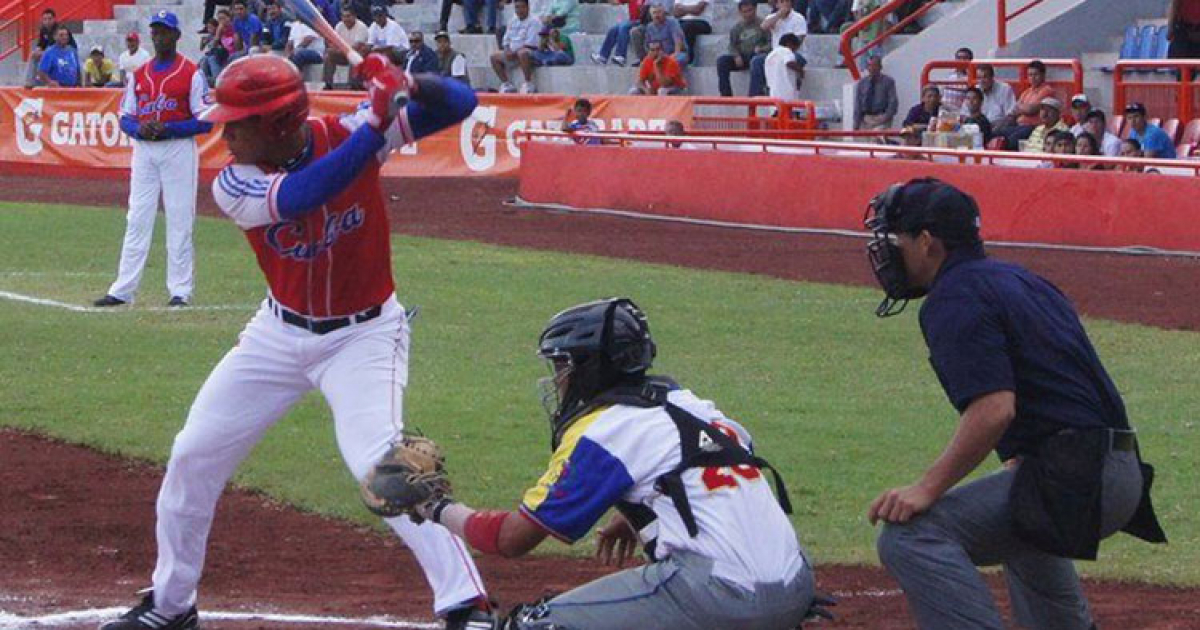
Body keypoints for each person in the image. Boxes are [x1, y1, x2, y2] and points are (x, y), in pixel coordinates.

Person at [96, 54, 496, 630]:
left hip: (365, 336)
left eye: (238, 121)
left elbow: (460, 103)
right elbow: (306, 193)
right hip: (277, 335)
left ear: (279, 123)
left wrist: (407, 83)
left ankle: (467, 603)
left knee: (384, 468)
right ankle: (171, 603)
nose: (224, 132)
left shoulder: (349, 132)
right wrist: (378, 124)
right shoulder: (236, 181)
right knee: (192, 457)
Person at [402, 297, 817, 630]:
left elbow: (512, 539)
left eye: (563, 364)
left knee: (535, 626)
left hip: (722, 596)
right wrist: (639, 512)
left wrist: (433, 505)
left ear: (591, 367)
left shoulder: (605, 431)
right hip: (796, 587)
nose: (558, 378)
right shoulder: (692, 404)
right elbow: (714, 470)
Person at [862, 178, 1165, 630]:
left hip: (1078, 474)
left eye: (896, 240)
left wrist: (927, 487)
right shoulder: (1021, 279)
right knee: (1025, 516)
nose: (888, 254)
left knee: (910, 537)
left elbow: (995, 408)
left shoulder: (953, 296)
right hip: (1112, 466)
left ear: (927, 243)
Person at [93, 11, 213, 310]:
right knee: (137, 217)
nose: (159, 36)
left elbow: (207, 120)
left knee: (180, 218)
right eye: (156, 31)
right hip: (145, 149)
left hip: (178, 148)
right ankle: (123, 289)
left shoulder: (191, 72)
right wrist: (138, 128)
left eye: (165, 31)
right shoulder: (140, 73)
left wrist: (171, 127)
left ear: (176, 36)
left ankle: (180, 291)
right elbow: (125, 116)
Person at [749, 0, 806, 96]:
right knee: (757, 61)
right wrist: (779, 15)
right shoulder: (772, 18)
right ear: (777, 4)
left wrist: (785, 53)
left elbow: (799, 40)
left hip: (794, 53)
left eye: (787, 1)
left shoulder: (799, 18)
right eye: (781, 2)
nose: (785, 4)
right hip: (775, 53)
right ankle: (756, 95)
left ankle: (792, 90)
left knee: (788, 61)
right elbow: (763, 27)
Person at [715, 0, 768, 97]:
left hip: (757, 56)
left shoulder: (763, 24)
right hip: (742, 57)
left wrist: (762, 49)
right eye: (744, 12)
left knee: (757, 60)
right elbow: (732, 45)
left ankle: (754, 95)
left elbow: (771, 43)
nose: (748, 14)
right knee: (721, 61)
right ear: (740, 12)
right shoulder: (737, 28)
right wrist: (736, 55)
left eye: (750, 10)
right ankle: (726, 95)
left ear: (755, 9)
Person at [1000, 60, 1056, 149]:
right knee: (998, 133)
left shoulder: (1046, 90)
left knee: (1011, 140)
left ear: (1043, 75)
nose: (1032, 78)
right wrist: (1022, 108)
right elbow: (1016, 109)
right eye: (1030, 75)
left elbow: (1031, 110)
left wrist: (1021, 107)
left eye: (1036, 74)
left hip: (1033, 127)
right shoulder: (1026, 92)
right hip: (1018, 125)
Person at [490, 0, 541, 93]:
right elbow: (506, 40)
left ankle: (528, 84)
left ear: (528, 7)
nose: (520, 10)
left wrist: (514, 52)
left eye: (522, 7)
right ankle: (507, 84)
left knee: (523, 53)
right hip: (512, 52)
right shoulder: (513, 21)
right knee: (494, 57)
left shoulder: (534, 21)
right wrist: (507, 50)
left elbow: (531, 44)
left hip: (530, 52)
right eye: (517, 7)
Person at [24, 8, 77, 88]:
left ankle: (37, 80)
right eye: (45, 19)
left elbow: (55, 47)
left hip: (65, 51)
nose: (47, 21)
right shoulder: (43, 29)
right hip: (53, 51)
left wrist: (43, 53)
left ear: (54, 19)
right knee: (34, 54)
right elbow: (41, 44)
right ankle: (30, 82)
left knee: (45, 56)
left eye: (49, 19)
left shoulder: (58, 30)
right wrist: (38, 50)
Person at [324, 7, 371, 89]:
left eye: (348, 16)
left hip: (358, 55)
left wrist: (338, 49)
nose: (346, 19)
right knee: (328, 56)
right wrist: (334, 49)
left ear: (354, 16)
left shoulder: (362, 27)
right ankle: (328, 84)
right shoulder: (339, 25)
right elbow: (333, 42)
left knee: (356, 55)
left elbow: (357, 46)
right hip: (344, 53)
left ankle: (353, 85)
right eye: (344, 16)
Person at [854, 55, 898, 130]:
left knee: (877, 139)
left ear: (880, 67)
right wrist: (856, 123)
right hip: (866, 119)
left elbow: (893, 101)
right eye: (870, 65)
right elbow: (858, 103)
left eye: (875, 65)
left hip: (881, 117)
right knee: (864, 141)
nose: (872, 68)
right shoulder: (862, 83)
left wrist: (886, 117)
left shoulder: (888, 82)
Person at [764, 32, 803, 101]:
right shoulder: (786, 51)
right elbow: (789, 62)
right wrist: (800, 70)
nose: (794, 51)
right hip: (785, 92)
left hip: (773, 91)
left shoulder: (770, 55)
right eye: (795, 48)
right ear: (789, 44)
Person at [672, 0, 710, 65]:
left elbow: (697, 10)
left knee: (688, 26)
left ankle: (689, 58)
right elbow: (676, 13)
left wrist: (683, 8)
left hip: (703, 22)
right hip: (682, 22)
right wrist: (691, 9)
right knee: (672, 25)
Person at [976, 64, 1015, 129]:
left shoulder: (1005, 89)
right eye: (979, 78)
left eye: (985, 77)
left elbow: (1011, 116)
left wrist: (995, 127)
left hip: (999, 128)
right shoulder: (975, 90)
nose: (982, 81)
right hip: (978, 128)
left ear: (992, 77)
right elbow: (964, 113)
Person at [939, 47, 973, 114]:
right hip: (943, 112)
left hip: (960, 114)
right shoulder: (949, 77)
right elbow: (941, 95)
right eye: (959, 58)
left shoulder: (972, 79)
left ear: (970, 60)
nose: (962, 61)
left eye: (965, 58)